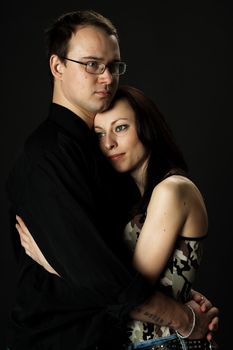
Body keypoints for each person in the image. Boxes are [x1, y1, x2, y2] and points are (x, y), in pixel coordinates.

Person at [6, 9, 218, 350]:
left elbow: (118, 269)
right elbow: (103, 280)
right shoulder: (46, 157)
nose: (106, 78)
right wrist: (186, 320)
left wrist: (184, 292)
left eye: (113, 66)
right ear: (57, 67)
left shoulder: (104, 157)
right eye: (92, 64)